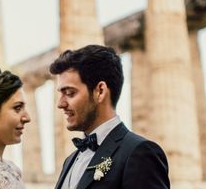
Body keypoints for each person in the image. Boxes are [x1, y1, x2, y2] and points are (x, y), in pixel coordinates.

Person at [50, 45, 170, 189]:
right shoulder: (69, 161)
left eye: (69, 93)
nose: (60, 104)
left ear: (100, 91)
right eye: (60, 94)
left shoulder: (139, 153)